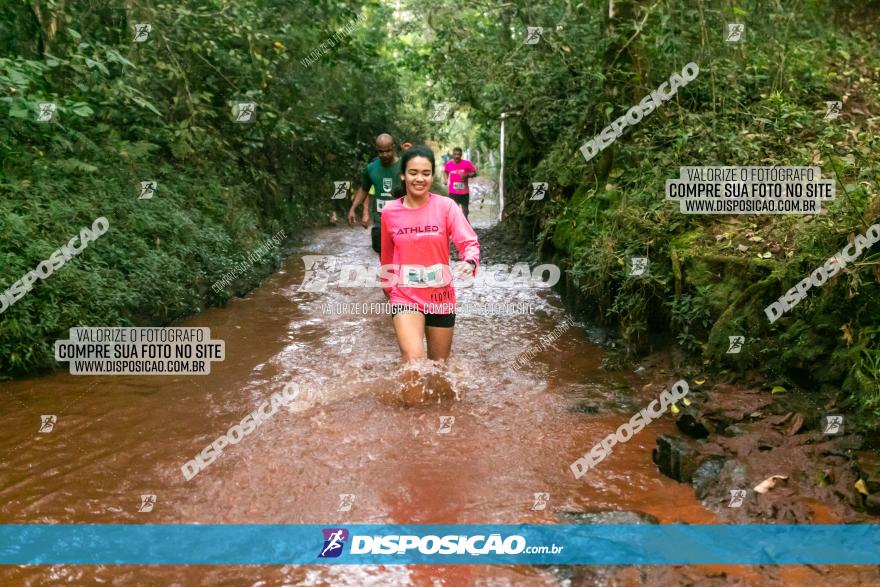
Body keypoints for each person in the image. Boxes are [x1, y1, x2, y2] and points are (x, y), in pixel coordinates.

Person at [379, 145, 480, 364]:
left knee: (438, 367)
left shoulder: (446, 207)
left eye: (425, 173)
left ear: (432, 176)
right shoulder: (389, 212)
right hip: (405, 294)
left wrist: (470, 262)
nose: (419, 179)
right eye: (413, 173)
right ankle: (409, 399)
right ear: (403, 175)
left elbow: (469, 241)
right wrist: (389, 289)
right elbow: (386, 256)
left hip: (440, 296)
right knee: (413, 359)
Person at [348, 133, 402, 253]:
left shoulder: (404, 166)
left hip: (401, 222)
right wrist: (353, 208)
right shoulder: (371, 168)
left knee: (401, 256)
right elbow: (364, 189)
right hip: (380, 221)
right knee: (381, 253)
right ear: (377, 150)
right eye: (381, 151)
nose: (385, 155)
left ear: (393, 147)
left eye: (388, 151)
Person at [443, 147, 477, 220]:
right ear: (453, 155)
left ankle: (466, 228)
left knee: (465, 213)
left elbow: (474, 173)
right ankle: (454, 229)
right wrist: (445, 179)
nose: (456, 156)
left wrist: (467, 175)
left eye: (458, 154)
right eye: (455, 154)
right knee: (453, 212)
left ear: (461, 155)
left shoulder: (466, 163)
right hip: (453, 192)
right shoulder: (449, 164)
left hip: (464, 192)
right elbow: (446, 172)